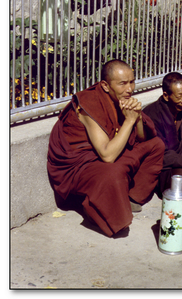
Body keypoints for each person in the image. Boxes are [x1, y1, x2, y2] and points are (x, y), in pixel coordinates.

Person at [47, 59, 165, 237]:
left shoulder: (121, 99)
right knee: (113, 171)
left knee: (155, 145)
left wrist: (137, 117)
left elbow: (142, 138)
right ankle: (95, 210)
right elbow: (107, 156)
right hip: (80, 165)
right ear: (105, 85)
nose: (130, 89)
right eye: (122, 84)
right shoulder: (88, 104)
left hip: (105, 152)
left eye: (132, 82)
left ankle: (132, 197)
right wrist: (130, 120)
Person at [142, 72, 182, 195]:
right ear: (166, 96)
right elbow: (161, 154)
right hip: (161, 168)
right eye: (179, 96)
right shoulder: (153, 115)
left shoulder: (180, 111)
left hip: (180, 160)